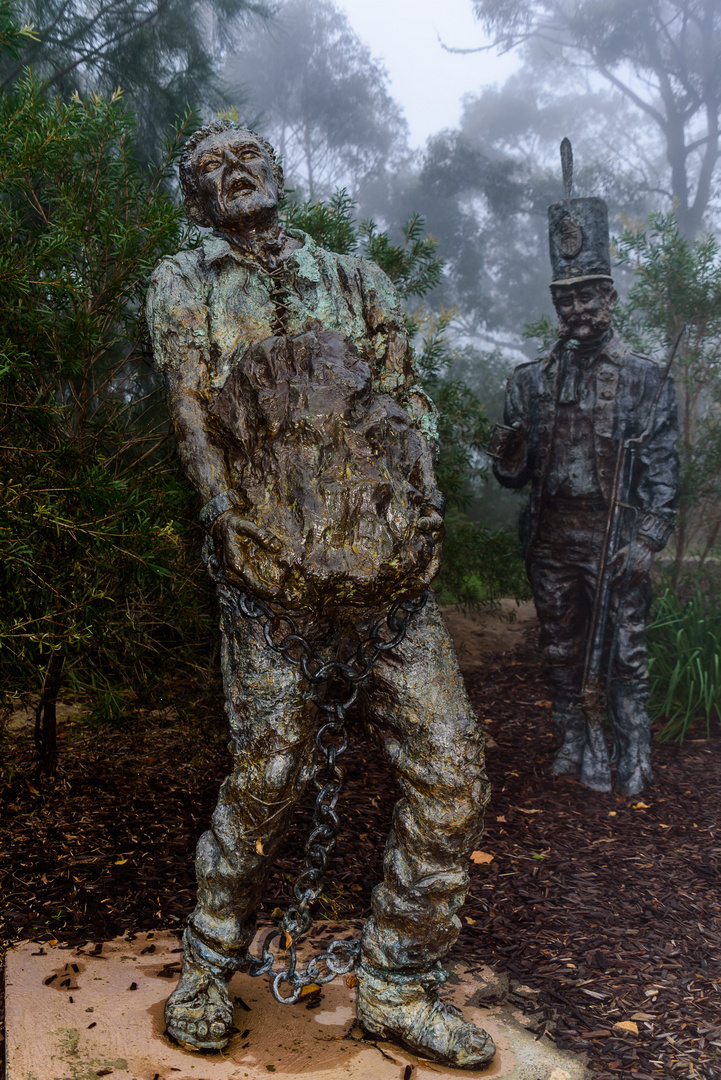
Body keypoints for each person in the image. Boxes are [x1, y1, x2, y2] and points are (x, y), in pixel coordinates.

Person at [145, 118, 495, 1068]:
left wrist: (421, 507)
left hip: (384, 569)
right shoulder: (185, 283)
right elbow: (189, 402)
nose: (233, 174)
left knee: (450, 766)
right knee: (267, 769)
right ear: (192, 197)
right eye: (209, 169)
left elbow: (405, 399)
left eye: (247, 157)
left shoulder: (358, 279)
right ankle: (209, 962)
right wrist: (223, 513)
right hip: (267, 573)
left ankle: (397, 982)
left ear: (278, 172)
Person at [491, 174, 679, 798]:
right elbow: (513, 476)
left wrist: (650, 538)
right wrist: (510, 454)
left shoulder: (646, 379)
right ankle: (574, 740)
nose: (575, 309)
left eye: (587, 296)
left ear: (610, 297)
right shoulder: (527, 381)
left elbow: (662, 467)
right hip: (551, 538)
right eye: (564, 299)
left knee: (624, 650)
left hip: (613, 532)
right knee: (560, 647)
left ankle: (634, 750)